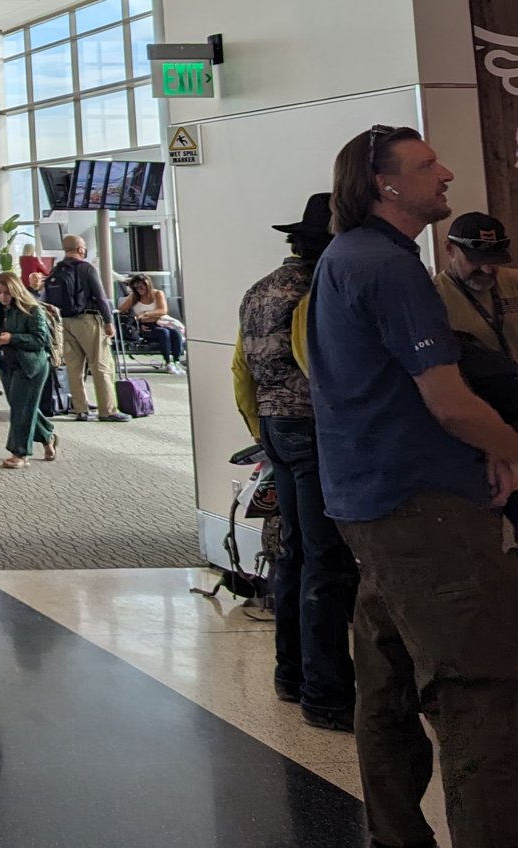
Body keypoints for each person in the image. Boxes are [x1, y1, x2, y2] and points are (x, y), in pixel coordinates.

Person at [309, 125, 518, 846]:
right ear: (384, 187)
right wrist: (507, 448)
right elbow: (448, 401)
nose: (447, 173)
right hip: (422, 512)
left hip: (372, 501)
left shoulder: (345, 257)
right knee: (479, 694)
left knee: (388, 691)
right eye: (427, 165)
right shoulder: (389, 269)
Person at [231, 191, 356, 734]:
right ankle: (326, 693)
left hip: (275, 429)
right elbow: (322, 366)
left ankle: (290, 674)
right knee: (326, 560)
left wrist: (260, 428)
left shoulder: (259, 290)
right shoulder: (315, 290)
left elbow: (239, 367)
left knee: (293, 552)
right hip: (313, 427)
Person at [42, 235, 126, 421]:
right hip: (88, 321)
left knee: (74, 367)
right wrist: (108, 321)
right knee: (101, 364)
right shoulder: (86, 268)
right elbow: (101, 297)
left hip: (64, 323)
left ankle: (81, 409)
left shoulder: (56, 270)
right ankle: (108, 410)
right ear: (80, 248)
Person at [0, 270, 56, 468]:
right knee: (21, 406)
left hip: (32, 365)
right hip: (7, 365)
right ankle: (47, 434)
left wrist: (12, 338)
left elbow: (40, 340)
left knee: (21, 409)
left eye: (6, 292)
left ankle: (20, 453)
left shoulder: (32, 309)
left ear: (15, 291)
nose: (2, 296)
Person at [435, 211, 517, 361]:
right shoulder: (432, 296)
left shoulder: (514, 281)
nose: (487, 269)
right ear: (449, 249)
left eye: (494, 260)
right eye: (476, 260)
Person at [120, 274, 187, 373]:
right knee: (164, 333)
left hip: (160, 322)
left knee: (175, 333)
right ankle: (168, 362)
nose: (139, 290)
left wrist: (146, 314)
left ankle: (176, 361)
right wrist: (136, 322)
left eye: (141, 287)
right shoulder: (134, 297)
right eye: (136, 288)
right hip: (144, 327)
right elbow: (121, 310)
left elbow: (162, 310)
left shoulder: (157, 294)